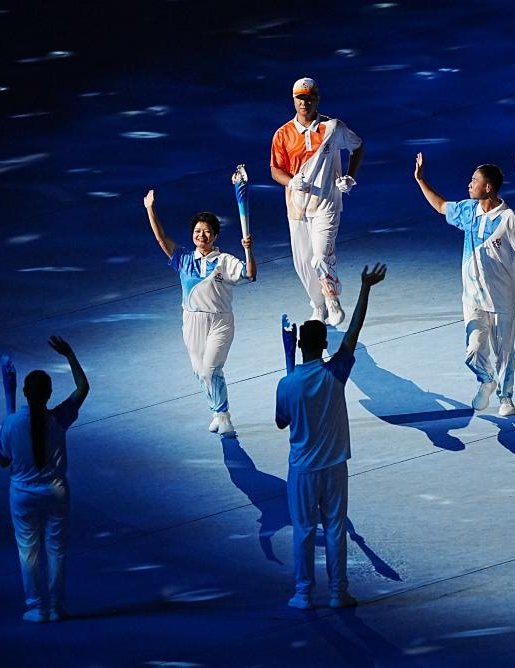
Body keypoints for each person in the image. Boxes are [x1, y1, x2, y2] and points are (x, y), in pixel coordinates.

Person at [275, 263, 387, 610]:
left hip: (303, 469)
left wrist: (288, 361)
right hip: (335, 465)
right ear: (324, 344)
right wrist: (365, 288)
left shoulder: (287, 384)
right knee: (335, 527)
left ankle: (303, 593)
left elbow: (282, 421)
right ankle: (338, 592)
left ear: (299, 345)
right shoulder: (335, 372)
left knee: (304, 530)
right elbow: (354, 329)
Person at [414, 152, 515, 416]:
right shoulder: (468, 210)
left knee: (504, 352)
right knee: (473, 350)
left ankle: (506, 398)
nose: (469, 184)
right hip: (473, 297)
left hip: (502, 299)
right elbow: (441, 206)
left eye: (475, 180)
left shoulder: (508, 218)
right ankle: (486, 381)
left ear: (488, 187)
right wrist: (420, 180)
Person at [144, 188, 257, 436]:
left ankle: (224, 416)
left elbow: (250, 274)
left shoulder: (225, 261)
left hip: (220, 321)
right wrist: (150, 209)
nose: (201, 235)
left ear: (215, 235)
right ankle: (217, 413)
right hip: (192, 321)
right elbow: (162, 239)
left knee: (211, 369)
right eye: (197, 231)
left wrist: (248, 250)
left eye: (206, 231)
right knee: (200, 371)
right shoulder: (184, 258)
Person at [0, 336, 90, 623]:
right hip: (55, 492)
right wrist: (69, 353)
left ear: (25, 392)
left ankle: (36, 607)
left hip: (22, 495)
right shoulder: (59, 418)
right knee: (56, 550)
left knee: (28, 550)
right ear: (49, 393)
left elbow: (3, 460)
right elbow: (83, 388)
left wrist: (9, 398)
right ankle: (57, 607)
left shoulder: (11, 423)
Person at [270, 76, 364, 327]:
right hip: (297, 208)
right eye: (300, 98)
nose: (305, 102)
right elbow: (275, 170)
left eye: (309, 98)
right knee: (303, 263)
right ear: (294, 100)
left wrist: (350, 176)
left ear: (317, 99)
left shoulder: (333, 128)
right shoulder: (282, 134)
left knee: (321, 256)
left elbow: (357, 146)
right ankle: (318, 305)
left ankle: (332, 299)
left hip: (326, 204)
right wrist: (292, 182)